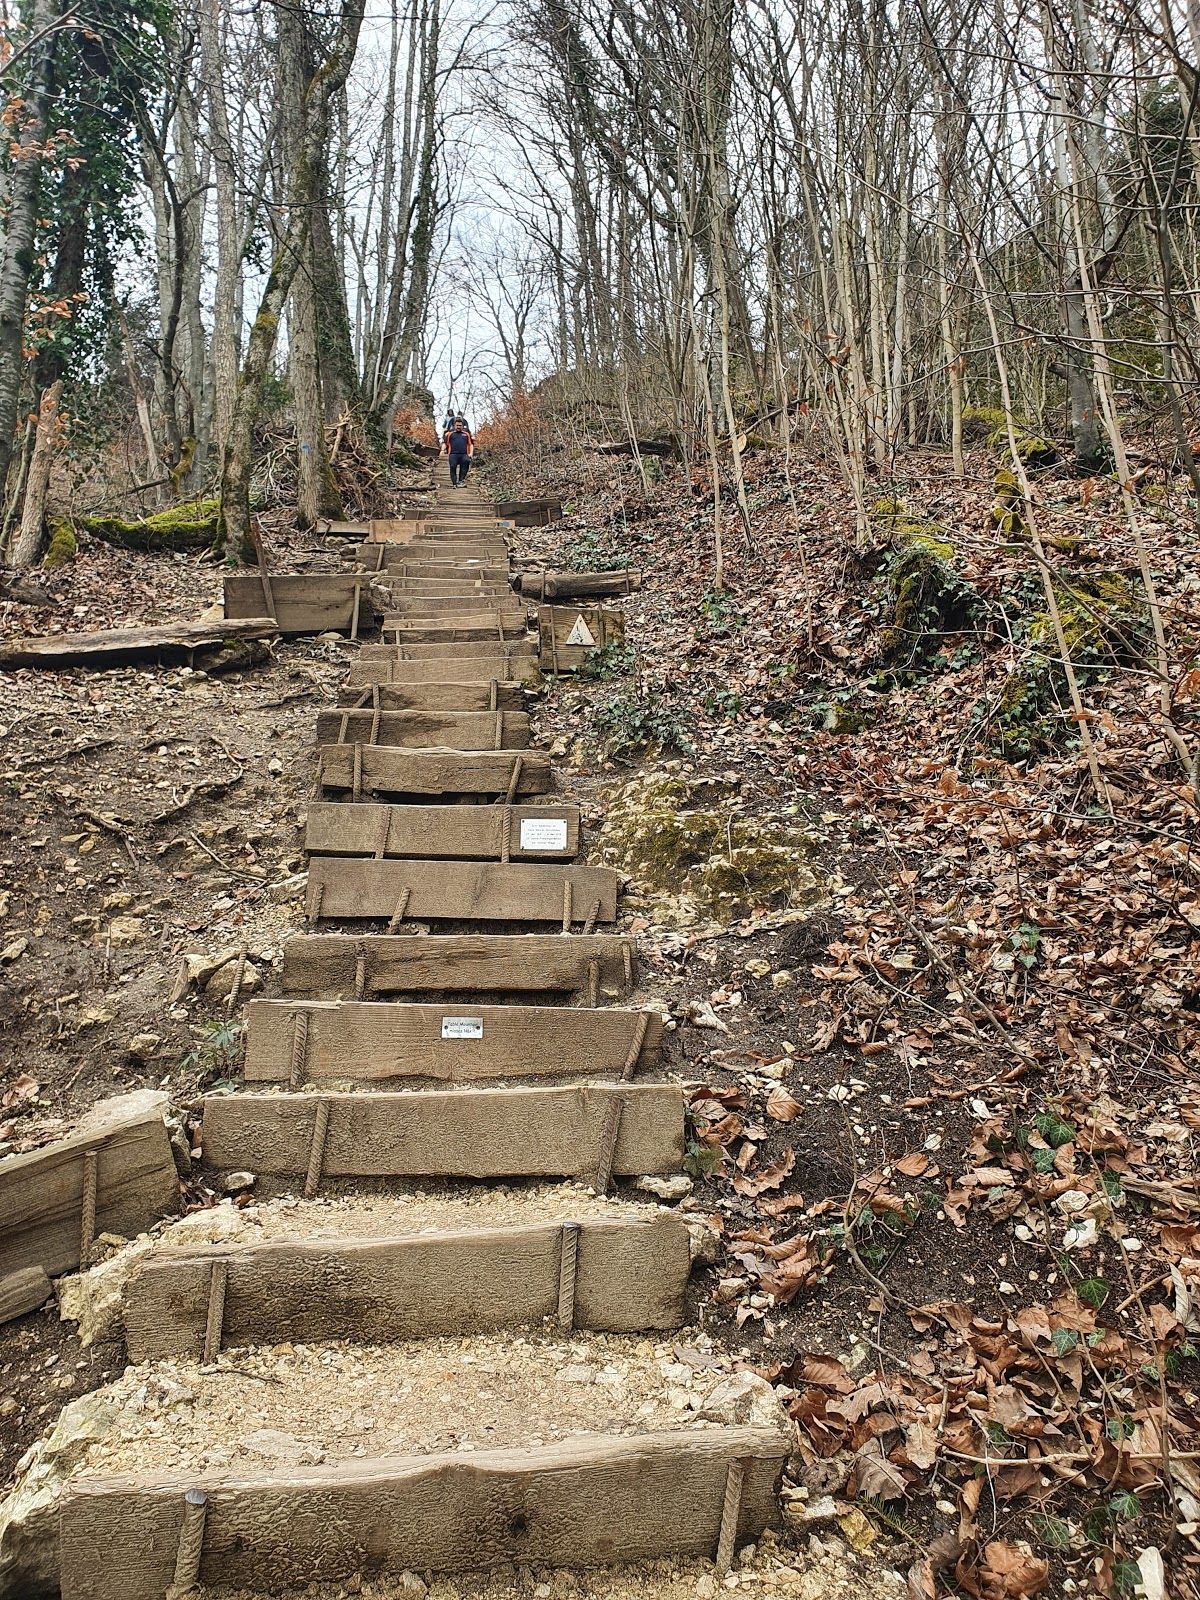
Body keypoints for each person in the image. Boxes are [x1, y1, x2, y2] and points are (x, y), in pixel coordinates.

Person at [446, 417, 474, 487]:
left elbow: (471, 444)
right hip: (453, 454)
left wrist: (470, 453)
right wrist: (442, 451)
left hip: (464, 454)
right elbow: (445, 443)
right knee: (453, 467)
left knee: (466, 463)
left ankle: (461, 480)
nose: (458, 427)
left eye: (460, 425)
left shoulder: (466, 434)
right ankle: (454, 483)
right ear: (454, 426)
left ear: (462, 426)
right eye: (457, 425)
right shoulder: (450, 434)